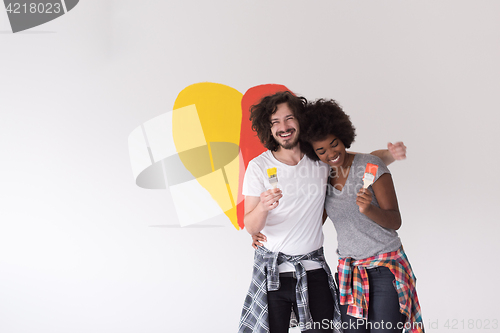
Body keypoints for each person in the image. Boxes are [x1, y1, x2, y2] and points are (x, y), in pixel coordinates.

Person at [238, 91, 406, 333]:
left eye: (289, 118)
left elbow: (358, 159)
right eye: (275, 122)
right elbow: (251, 226)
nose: (283, 127)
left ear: (300, 121)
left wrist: (389, 155)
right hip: (273, 272)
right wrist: (263, 208)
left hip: (314, 271)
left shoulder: (318, 160)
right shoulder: (259, 167)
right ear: (268, 128)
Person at [297, 99, 424, 333]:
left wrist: (370, 210)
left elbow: (395, 221)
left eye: (334, 144)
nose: (331, 153)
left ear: (343, 136)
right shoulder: (321, 179)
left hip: (386, 269)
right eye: (321, 150)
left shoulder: (370, 166)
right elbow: (313, 222)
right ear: (313, 153)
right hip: (349, 272)